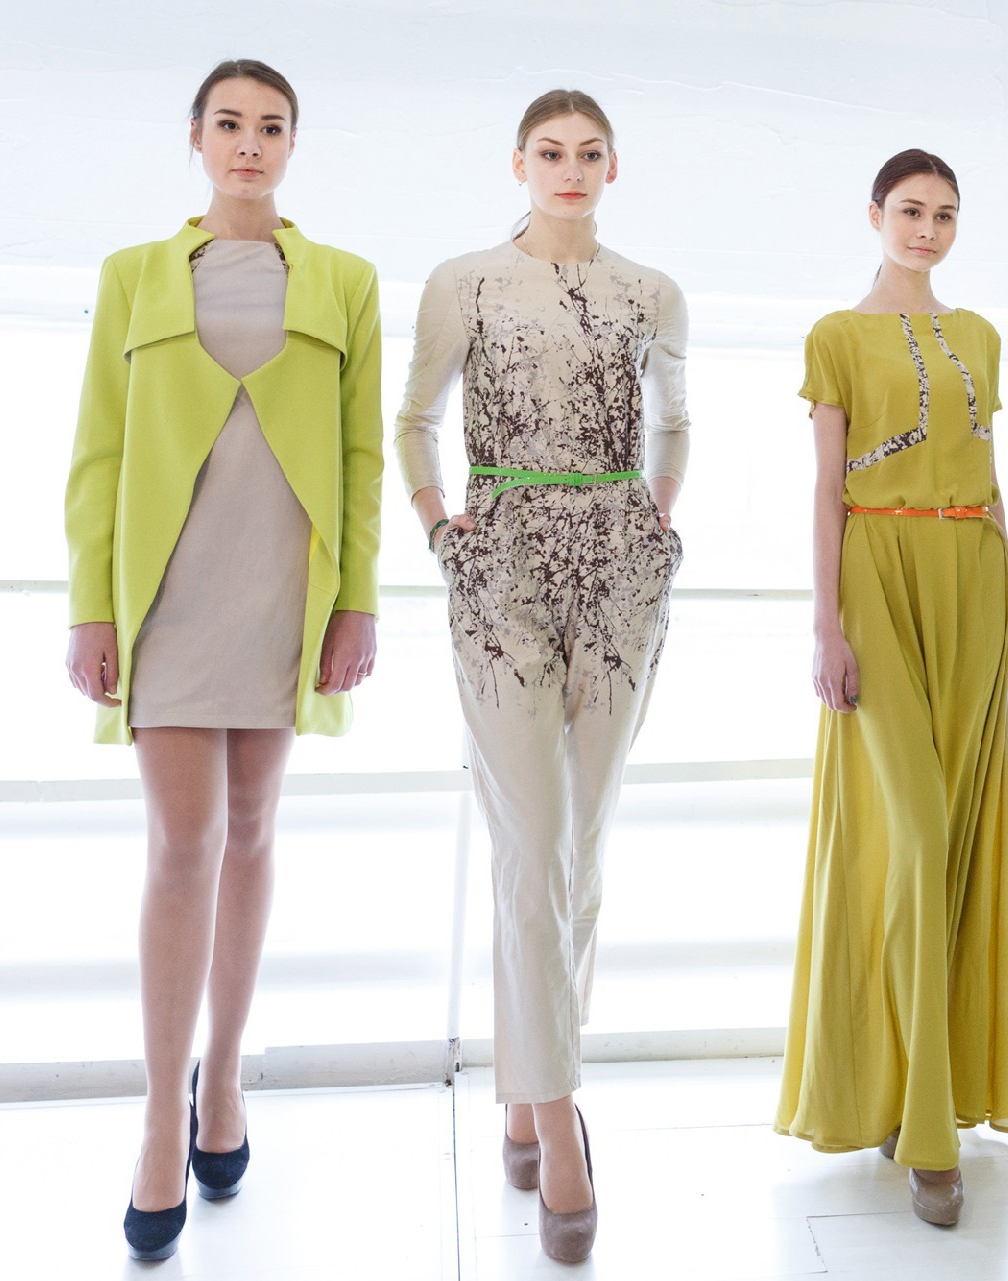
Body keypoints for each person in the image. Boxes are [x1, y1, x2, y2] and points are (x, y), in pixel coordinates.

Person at [63, 59, 383, 1260]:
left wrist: (356, 603)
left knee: (251, 830)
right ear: (195, 137)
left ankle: (226, 1080)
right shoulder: (133, 276)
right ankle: (161, 1117)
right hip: (168, 592)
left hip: (285, 591)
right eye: (232, 125)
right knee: (183, 840)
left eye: (273, 127)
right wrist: (90, 608)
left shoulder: (344, 281)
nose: (252, 144)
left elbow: (359, 459)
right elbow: (98, 451)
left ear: (293, 146)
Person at [392, 88, 688, 1263]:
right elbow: (413, 420)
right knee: (534, 839)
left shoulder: (650, 291)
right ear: (517, 162)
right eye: (551, 152)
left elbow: (677, 422)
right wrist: (441, 531)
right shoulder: (464, 281)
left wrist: (654, 525)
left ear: (615, 166)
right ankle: (559, 1121)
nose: (571, 169)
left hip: (621, 577)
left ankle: (525, 1089)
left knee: (584, 846)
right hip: (501, 566)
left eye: (590, 153)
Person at [774, 148, 1008, 1228]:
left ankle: (914, 1088)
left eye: (945, 215)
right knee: (916, 839)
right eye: (912, 211)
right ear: (876, 214)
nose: (928, 230)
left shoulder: (981, 336)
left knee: (952, 847)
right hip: (877, 576)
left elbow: (990, 480)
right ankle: (926, 1133)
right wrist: (826, 624)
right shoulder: (836, 337)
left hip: (972, 577)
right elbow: (825, 489)